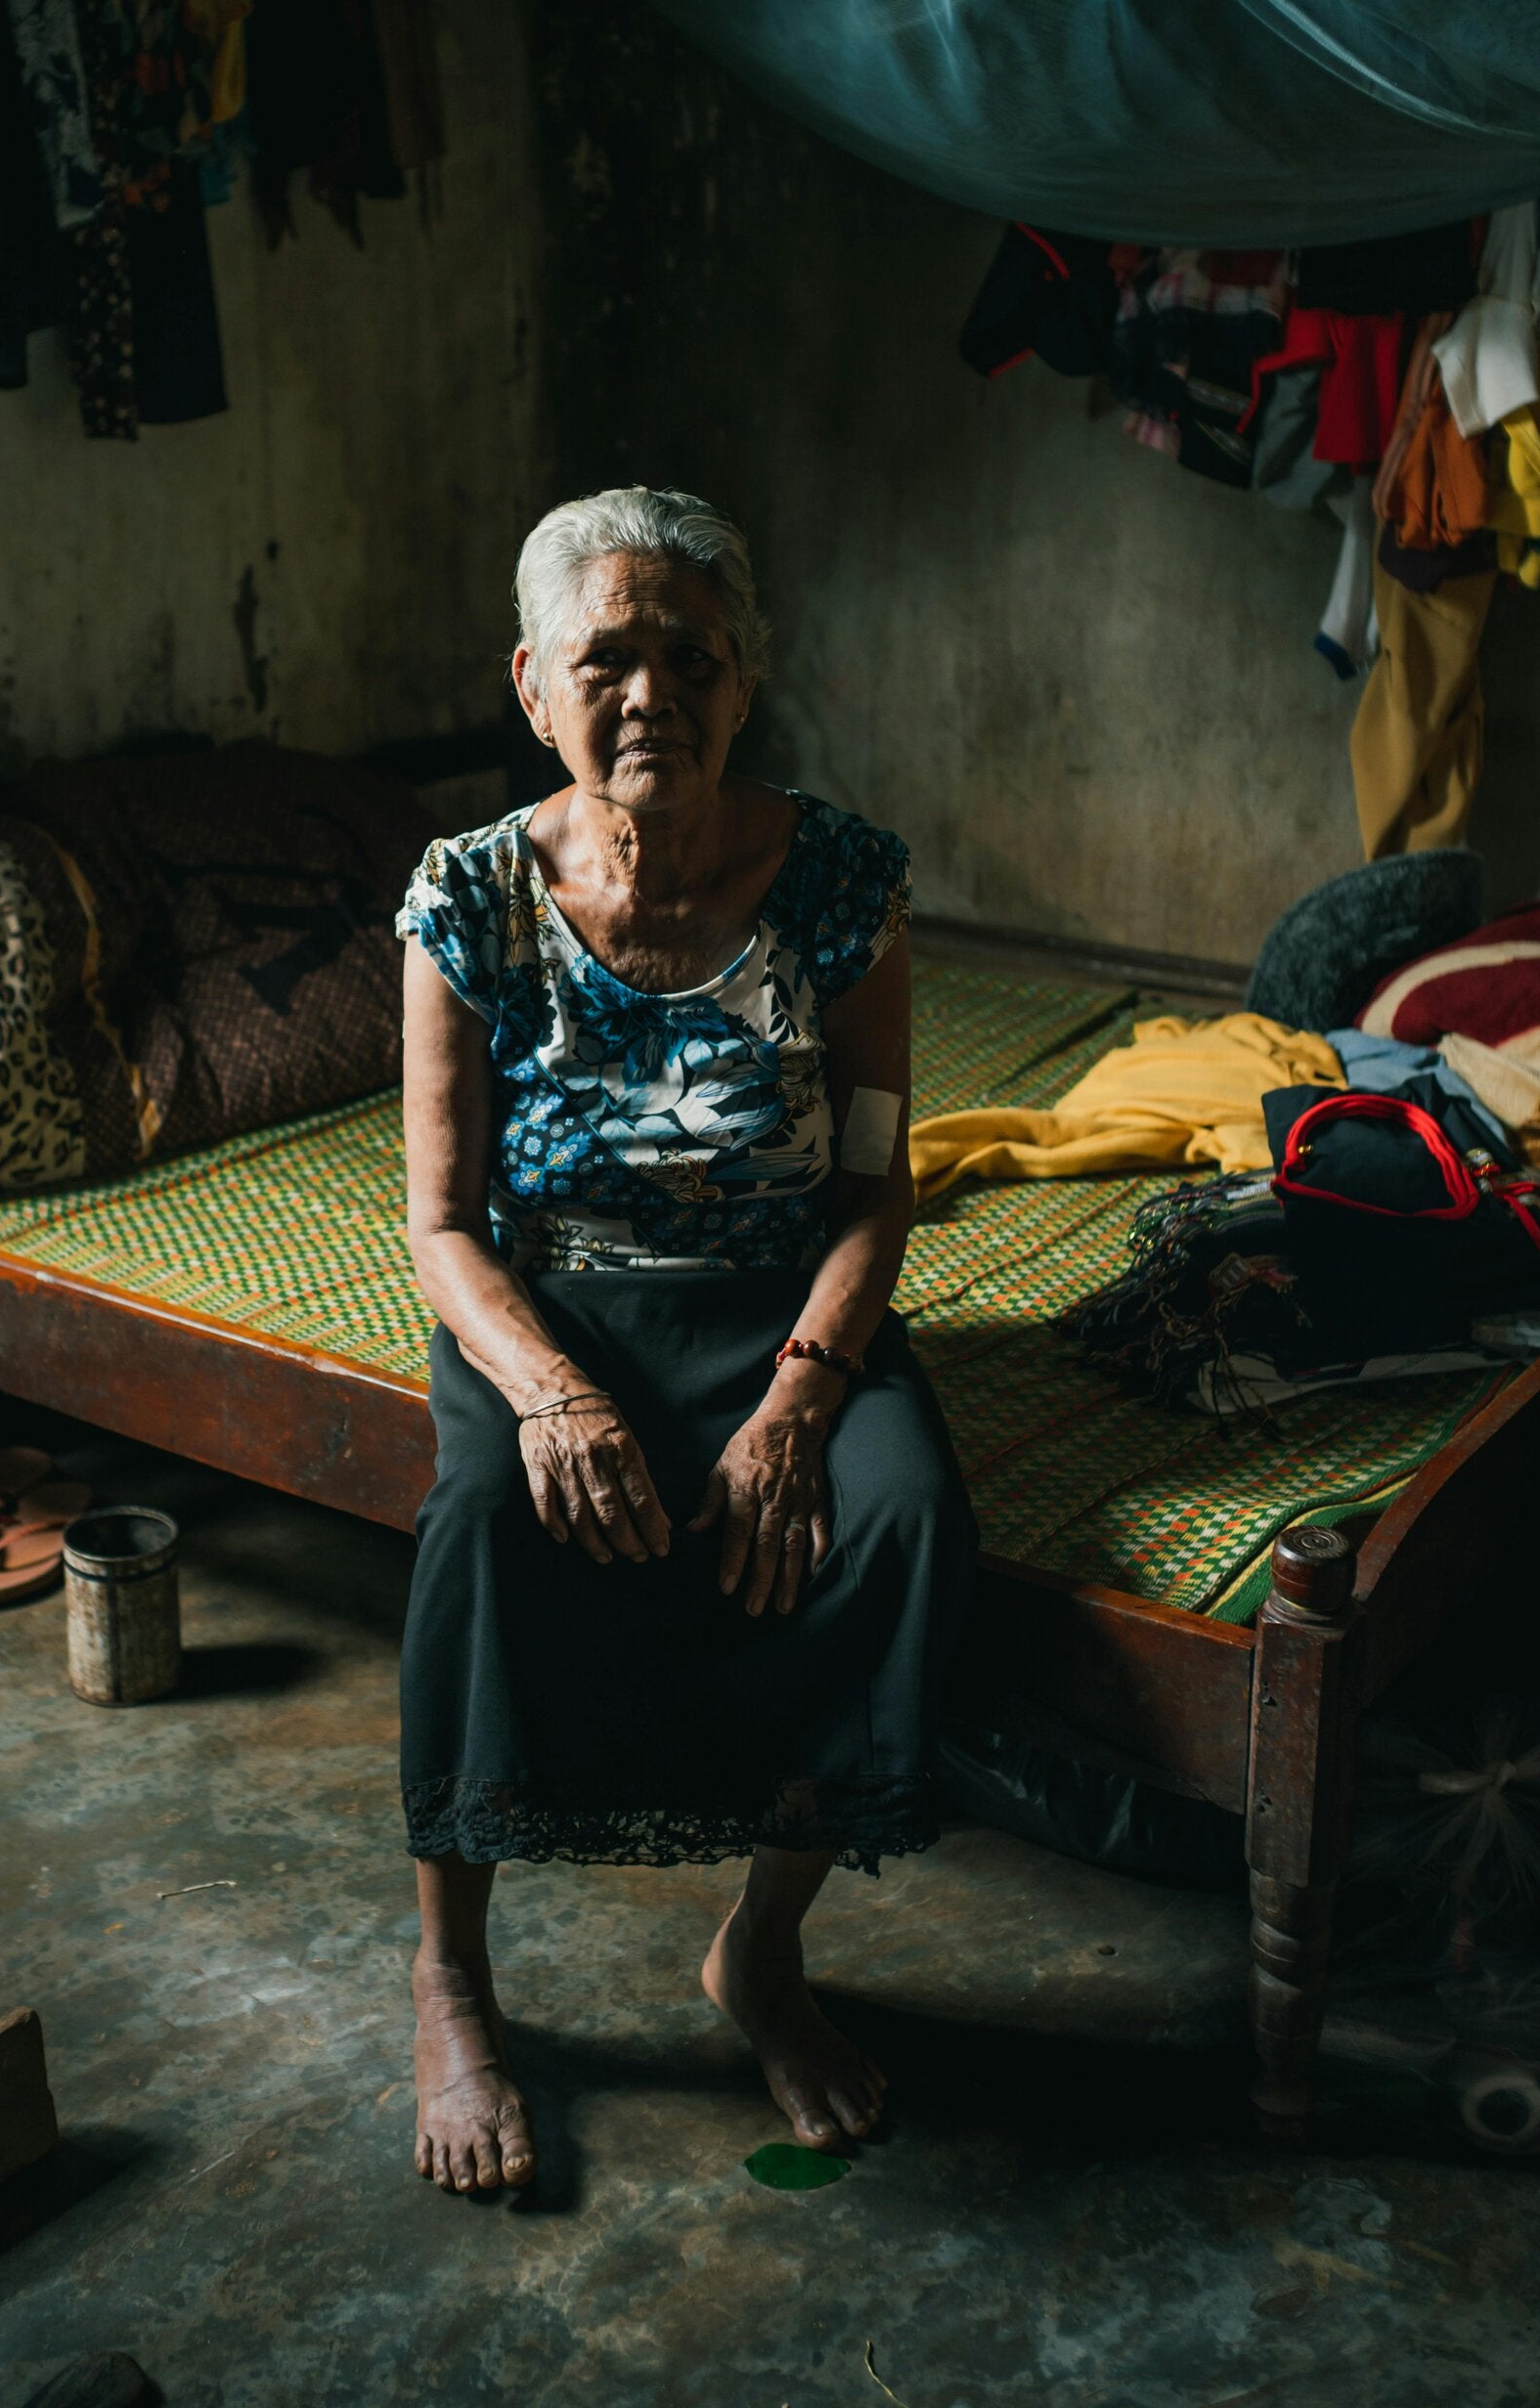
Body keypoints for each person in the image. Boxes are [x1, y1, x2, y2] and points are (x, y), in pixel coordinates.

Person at [397, 484, 977, 2194]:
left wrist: (802, 1401)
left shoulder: (844, 882)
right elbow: (442, 1224)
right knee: (482, 1520)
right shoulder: (468, 897)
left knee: (901, 1513)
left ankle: (762, 1951)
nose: (653, 694)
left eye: (694, 658)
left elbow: (873, 1184)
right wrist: (554, 1399)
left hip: (782, 1304)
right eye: (608, 661)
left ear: (746, 680)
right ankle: (451, 1980)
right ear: (534, 686)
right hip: (554, 1308)